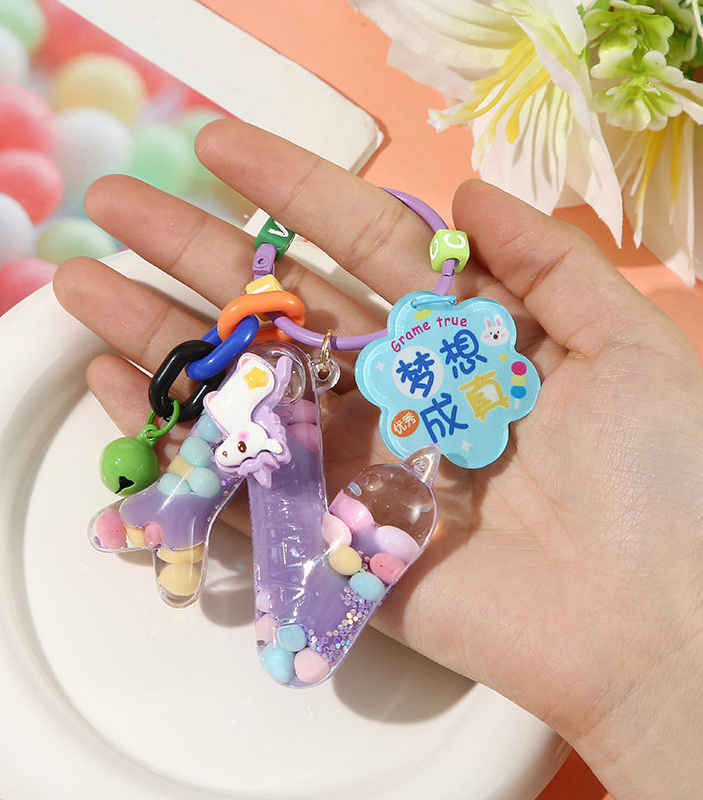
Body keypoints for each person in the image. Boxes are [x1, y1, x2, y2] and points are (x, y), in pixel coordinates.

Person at [53, 118, 703, 800]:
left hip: (358, 478)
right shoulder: (281, 374)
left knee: (287, 421)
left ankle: (175, 514)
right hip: (299, 397)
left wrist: (669, 660)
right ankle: (176, 512)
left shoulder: (380, 458)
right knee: (266, 391)